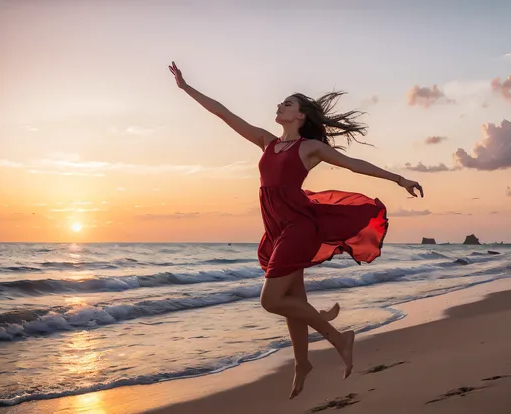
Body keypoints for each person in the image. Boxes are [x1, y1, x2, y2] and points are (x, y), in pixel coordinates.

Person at [168, 62, 424, 399]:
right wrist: (186, 88)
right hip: (274, 227)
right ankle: (302, 362)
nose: (279, 106)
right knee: (292, 299)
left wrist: (398, 179)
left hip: (298, 226)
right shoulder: (267, 142)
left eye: (287, 104)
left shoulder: (310, 148)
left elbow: (354, 165)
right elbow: (224, 114)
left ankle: (338, 337)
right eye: (281, 103)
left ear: (300, 115)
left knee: (271, 300)